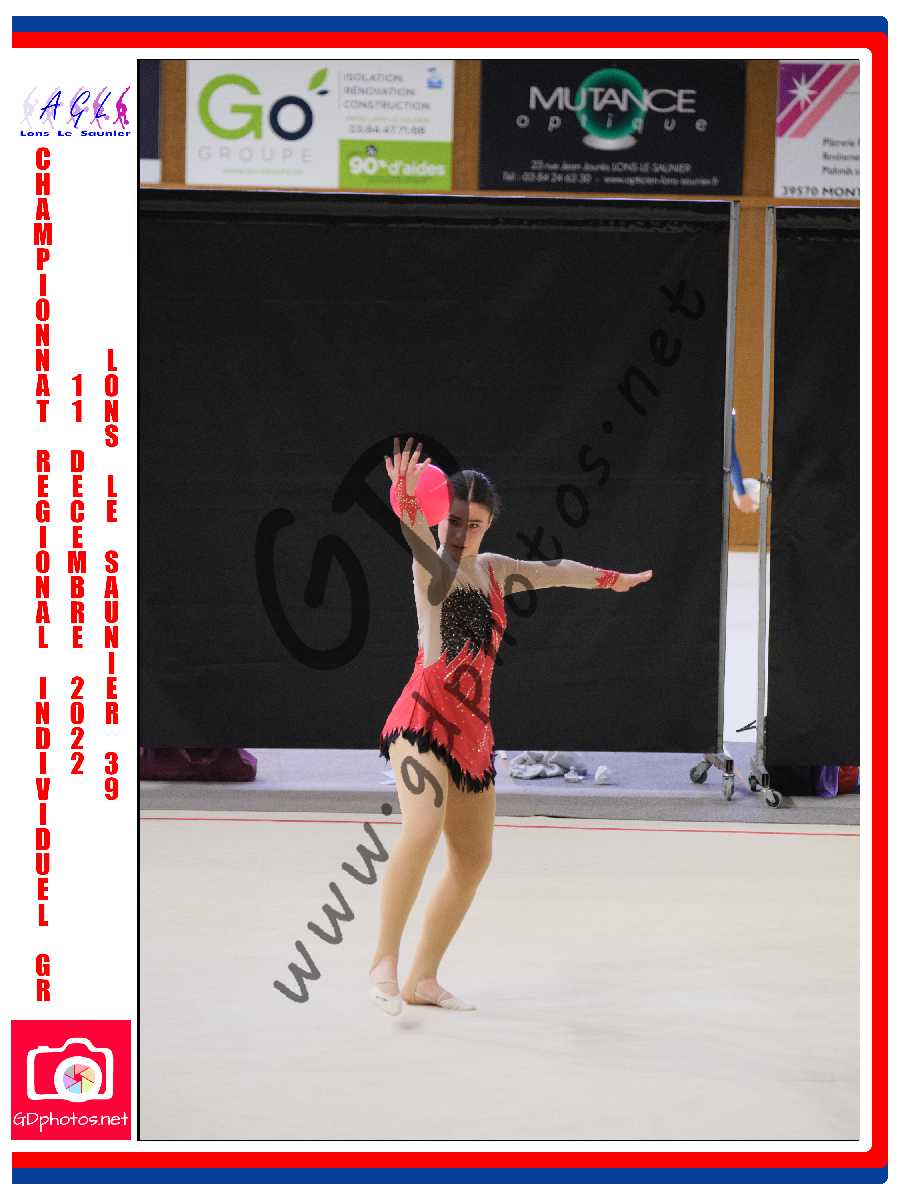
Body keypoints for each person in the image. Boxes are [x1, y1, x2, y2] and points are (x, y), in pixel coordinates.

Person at [369, 436, 653, 1015]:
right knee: (422, 828)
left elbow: (556, 571)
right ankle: (384, 960)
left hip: (473, 733)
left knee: (473, 860)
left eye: (473, 524)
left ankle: (423, 978)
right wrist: (405, 498)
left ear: (489, 524)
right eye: (453, 521)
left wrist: (612, 579)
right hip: (423, 717)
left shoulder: (496, 571)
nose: (460, 533)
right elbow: (413, 533)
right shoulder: (432, 566)